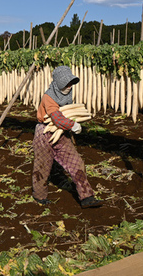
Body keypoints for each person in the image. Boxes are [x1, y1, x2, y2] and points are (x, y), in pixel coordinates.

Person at [32, 65, 102, 208]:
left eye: (71, 82)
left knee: (76, 162)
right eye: (66, 83)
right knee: (43, 166)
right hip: (44, 133)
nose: (69, 86)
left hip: (61, 132)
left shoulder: (66, 93)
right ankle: (39, 196)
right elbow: (56, 117)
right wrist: (72, 125)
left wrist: (69, 125)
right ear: (58, 83)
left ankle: (87, 197)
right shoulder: (48, 97)